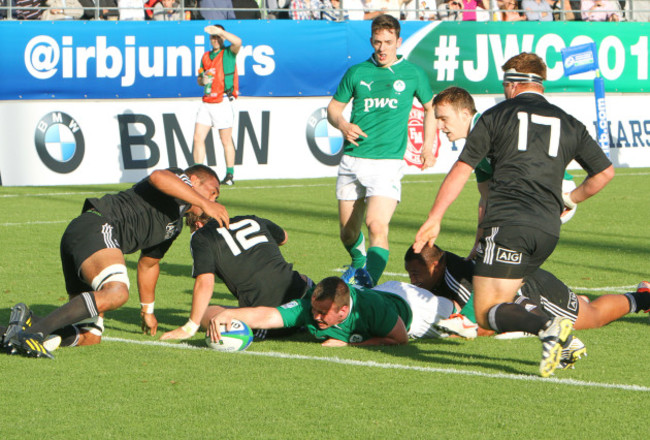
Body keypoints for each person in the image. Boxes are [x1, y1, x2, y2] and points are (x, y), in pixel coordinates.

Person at [414, 52, 614, 377]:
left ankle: (549, 327)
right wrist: (570, 199)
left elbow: (461, 170)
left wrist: (435, 216)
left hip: (510, 222)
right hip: (548, 230)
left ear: (511, 83)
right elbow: (604, 174)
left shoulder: (494, 116)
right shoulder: (569, 121)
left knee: (486, 311)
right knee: (509, 294)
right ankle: (562, 339)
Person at [2, 165, 229, 359]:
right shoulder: (177, 178)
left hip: (87, 239)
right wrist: (205, 203)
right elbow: (158, 177)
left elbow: (149, 264)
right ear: (194, 180)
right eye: (213, 193)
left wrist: (147, 311)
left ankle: (21, 326)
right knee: (117, 292)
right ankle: (33, 334)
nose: (213, 201)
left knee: (90, 336)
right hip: (98, 225)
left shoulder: (175, 226)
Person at [405, 243, 650, 367]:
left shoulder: (454, 275)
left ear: (436, 266)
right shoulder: (440, 274)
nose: (413, 280)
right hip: (518, 290)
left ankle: (643, 298)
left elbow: (482, 321)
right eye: (410, 275)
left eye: (416, 274)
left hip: (537, 289)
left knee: (593, 317)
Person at [327, 14, 436, 289]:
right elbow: (333, 109)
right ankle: (358, 261)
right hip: (352, 160)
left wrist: (427, 145)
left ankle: (366, 288)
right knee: (348, 233)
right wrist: (342, 124)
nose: (382, 48)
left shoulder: (412, 73)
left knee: (376, 225)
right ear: (371, 41)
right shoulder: (357, 72)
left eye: (388, 42)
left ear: (398, 41)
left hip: (387, 163)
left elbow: (431, 107)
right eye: (377, 42)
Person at [433, 86, 579, 259]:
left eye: (443, 118)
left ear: (465, 114)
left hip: (554, 190)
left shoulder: (492, 126)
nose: (439, 126)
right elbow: (486, 200)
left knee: (508, 249)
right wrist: (478, 245)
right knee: (503, 252)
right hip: (530, 198)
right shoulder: (476, 145)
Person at [160, 212, 313, 341]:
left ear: (198, 225)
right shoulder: (252, 219)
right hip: (308, 299)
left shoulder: (202, 236)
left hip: (271, 321)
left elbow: (205, 282)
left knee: (205, 314)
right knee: (293, 275)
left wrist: (190, 326)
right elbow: (283, 237)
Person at [204, 276, 453, 347]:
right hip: (385, 289)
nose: (315, 317)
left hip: (418, 312)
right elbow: (269, 316)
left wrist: (349, 344)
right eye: (314, 310)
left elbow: (400, 339)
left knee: (462, 319)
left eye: (323, 313)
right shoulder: (311, 307)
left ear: (344, 311)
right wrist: (232, 314)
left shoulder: (372, 310)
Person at [193, 25, 241, 187]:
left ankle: (229, 173)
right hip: (207, 101)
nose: (215, 40)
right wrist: (202, 80)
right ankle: (197, 173)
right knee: (198, 137)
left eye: (217, 37)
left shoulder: (228, 53)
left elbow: (238, 42)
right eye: (212, 38)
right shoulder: (205, 56)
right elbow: (200, 79)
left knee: (225, 139)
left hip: (223, 100)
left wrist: (220, 32)